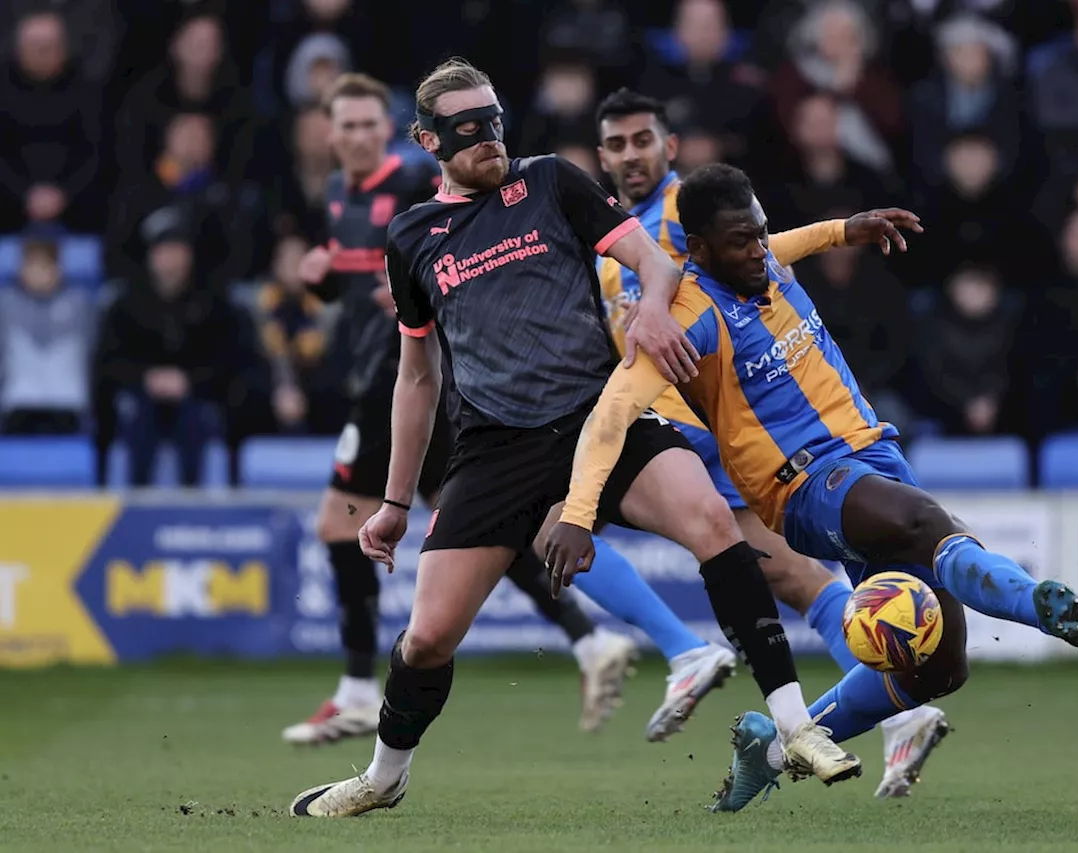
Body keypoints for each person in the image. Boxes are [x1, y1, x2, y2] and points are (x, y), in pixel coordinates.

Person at [290, 59, 856, 818]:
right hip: (493, 448)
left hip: (602, 418)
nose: (487, 138)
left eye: (493, 119)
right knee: (426, 640)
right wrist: (394, 501)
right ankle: (385, 777)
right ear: (428, 140)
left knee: (711, 520)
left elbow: (653, 260)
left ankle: (796, 723)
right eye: (465, 129)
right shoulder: (413, 236)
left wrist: (654, 311)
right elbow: (417, 376)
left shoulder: (552, 181)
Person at [545, 163, 1078, 811]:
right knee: (921, 524)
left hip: (873, 455)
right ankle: (1045, 605)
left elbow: (786, 244)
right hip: (801, 485)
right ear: (700, 251)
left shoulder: (763, 260)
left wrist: (843, 231)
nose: (760, 249)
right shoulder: (688, 319)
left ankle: (767, 752)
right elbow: (610, 415)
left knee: (940, 667)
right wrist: (577, 511)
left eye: (762, 232)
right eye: (742, 241)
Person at [590, 87, 948, 795]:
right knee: (792, 578)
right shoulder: (612, 241)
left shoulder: (681, 219)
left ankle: (683, 649)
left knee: (554, 515)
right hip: (689, 434)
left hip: (711, 433)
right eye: (616, 144)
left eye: (642, 140)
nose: (630, 155)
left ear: (671, 147)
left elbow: (748, 271)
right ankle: (896, 705)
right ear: (600, 156)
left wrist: (838, 230)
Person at [282, 72, 639, 745]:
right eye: (347, 125)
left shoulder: (407, 193)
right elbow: (370, 288)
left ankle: (360, 687)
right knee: (492, 528)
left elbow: (441, 268)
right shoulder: (338, 195)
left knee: (340, 522)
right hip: (391, 377)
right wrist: (328, 280)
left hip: (417, 376)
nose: (359, 136)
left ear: (398, 135)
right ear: (329, 134)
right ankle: (589, 640)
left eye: (369, 124)